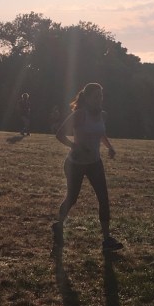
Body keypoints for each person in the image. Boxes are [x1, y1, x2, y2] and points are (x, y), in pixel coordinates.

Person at [52, 83, 123, 252]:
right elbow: (59, 134)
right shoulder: (79, 115)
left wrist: (110, 147)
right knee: (72, 198)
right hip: (75, 164)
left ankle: (107, 240)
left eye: (101, 96)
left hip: (95, 163)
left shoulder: (103, 115)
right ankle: (58, 225)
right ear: (87, 98)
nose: (99, 99)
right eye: (96, 96)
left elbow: (101, 133)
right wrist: (75, 146)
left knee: (104, 199)